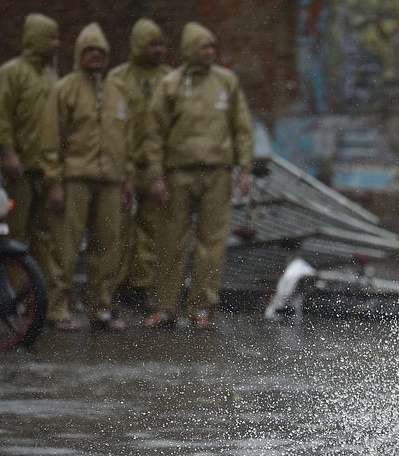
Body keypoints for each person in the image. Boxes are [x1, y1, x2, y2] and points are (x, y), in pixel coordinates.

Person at [143, 22, 254, 330]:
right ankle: (165, 308)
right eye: (203, 47)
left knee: (212, 243)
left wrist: (245, 167)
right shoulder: (171, 84)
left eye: (212, 47)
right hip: (177, 173)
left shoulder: (226, 82)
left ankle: (202, 308)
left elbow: (241, 127)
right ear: (190, 49)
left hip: (217, 173)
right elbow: (153, 133)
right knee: (171, 241)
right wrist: (156, 175)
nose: (209, 52)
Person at [39, 22, 135, 332]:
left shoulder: (117, 91)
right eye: (89, 50)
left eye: (100, 51)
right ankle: (58, 309)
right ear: (80, 53)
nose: (95, 56)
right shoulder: (64, 89)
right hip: (74, 179)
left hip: (111, 180)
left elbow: (127, 139)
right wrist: (54, 181)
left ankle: (100, 309)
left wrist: (127, 179)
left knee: (108, 247)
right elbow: (51, 139)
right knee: (65, 248)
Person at [0, 13, 60, 286]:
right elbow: (0, 116)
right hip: (17, 170)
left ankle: (35, 295)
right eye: (52, 38)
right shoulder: (11, 73)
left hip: (44, 170)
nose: (57, 44)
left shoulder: (52, 77)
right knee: (11, 234)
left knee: (43, 235)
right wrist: (8, 152)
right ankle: (7, 293)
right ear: (37, 38)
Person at [108, 18, 171, 312]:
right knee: (118, 229)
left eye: (161, 44)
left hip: (157, 166)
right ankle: (114, 287)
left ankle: (142, 287)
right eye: (152, 44)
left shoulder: (169, 79)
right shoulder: (118, 78)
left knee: (153, 230)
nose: (158, 50)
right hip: (124, 165)